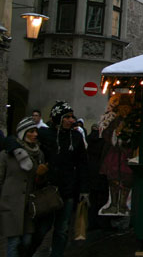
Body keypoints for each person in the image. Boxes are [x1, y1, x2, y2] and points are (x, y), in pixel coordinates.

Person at [28, 100, 89, 257]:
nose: (71, 120)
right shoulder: (44, 134)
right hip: (48, 189)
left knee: (62, 230)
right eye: (67, 117)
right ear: (58, 118)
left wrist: (84, 189)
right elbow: (24, 140)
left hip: (68, 190)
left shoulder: (75, 137)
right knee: (42, 228)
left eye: (72, 117)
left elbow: (82, 164)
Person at [0, 117, 48, 257]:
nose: (35, 135)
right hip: (10, 205)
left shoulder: (39, 154)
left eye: (35, 131)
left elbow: (39, 182)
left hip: (29, 206)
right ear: (22, 132)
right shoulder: (7, 154)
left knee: (27, 241)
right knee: (13, 242)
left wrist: (41, 175)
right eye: (31, 131)